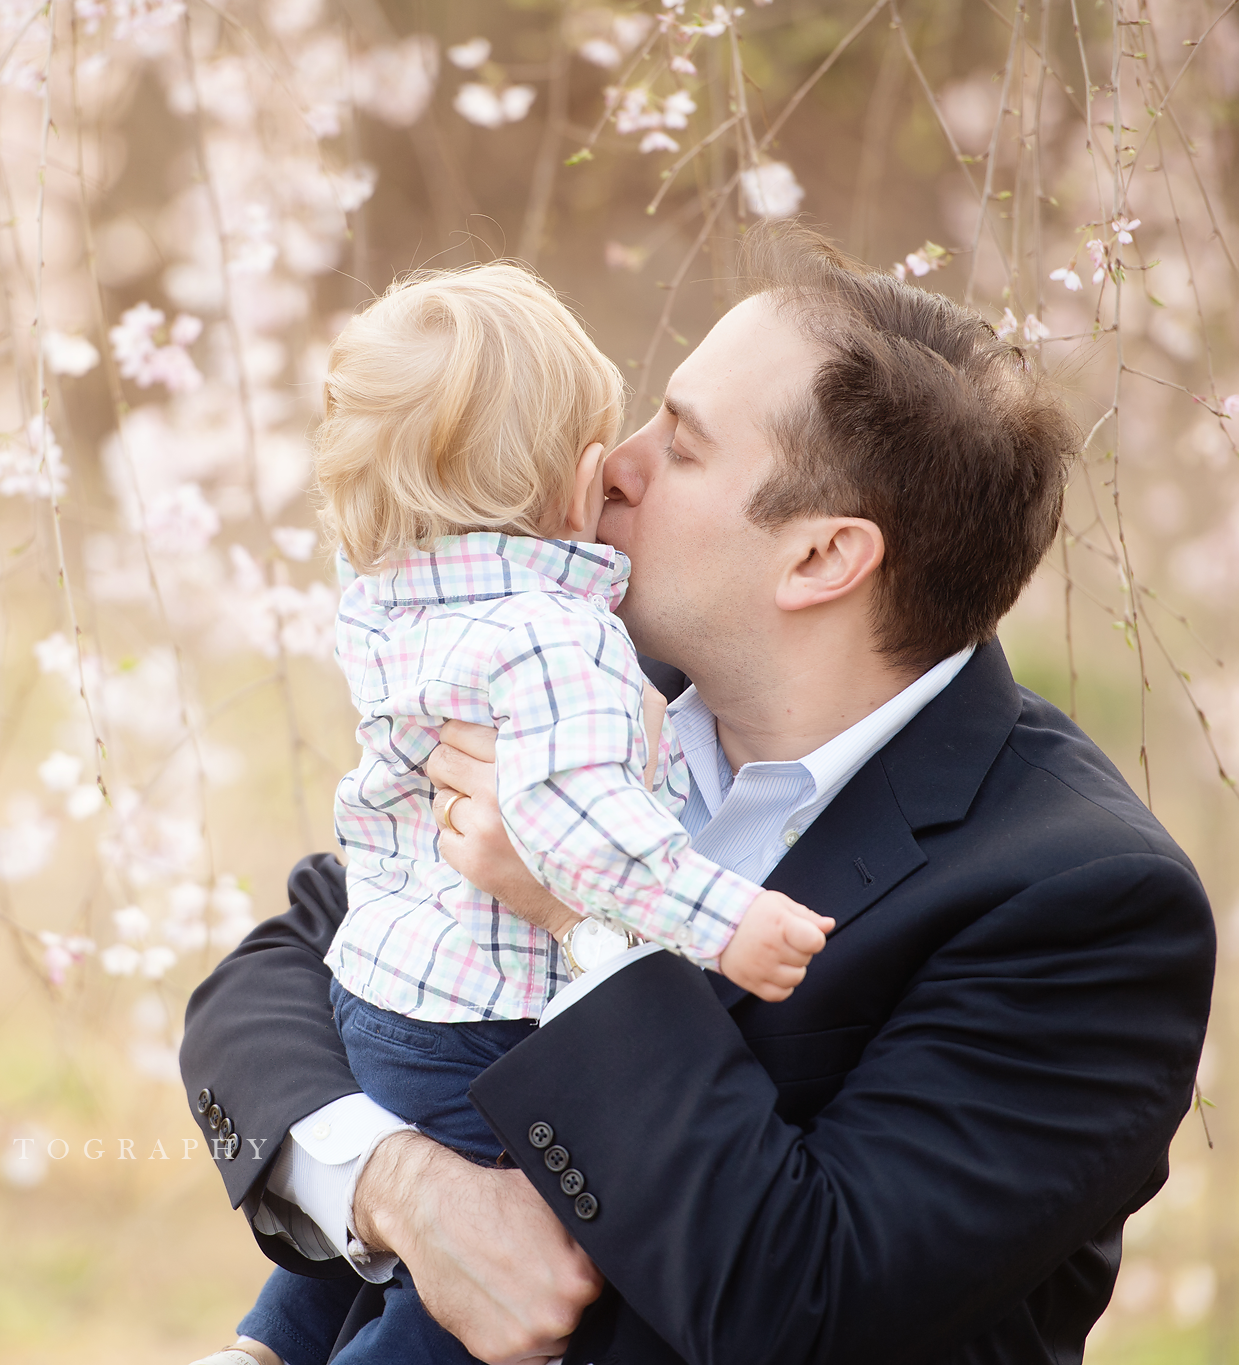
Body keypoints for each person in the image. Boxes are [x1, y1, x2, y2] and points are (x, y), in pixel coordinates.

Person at [179, 225, 1217, 1365]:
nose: (610, 464)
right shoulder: (594, 692)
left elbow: (804, 1303)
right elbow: (285, 964)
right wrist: (396, 1186)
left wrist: (581, 914)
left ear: (821, 559)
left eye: (677, 445)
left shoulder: (1081, 904)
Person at [202, 263, 834, 1365]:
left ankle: (267, 1345)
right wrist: (720, 916)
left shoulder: (394, 602)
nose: (637, 465)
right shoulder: (559, 637)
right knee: (454, 1307)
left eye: (678, 445)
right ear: (582, 481)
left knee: (398, 1222)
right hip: (476, 1024)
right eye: (638, 441)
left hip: (380, 993)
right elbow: (573, 817)